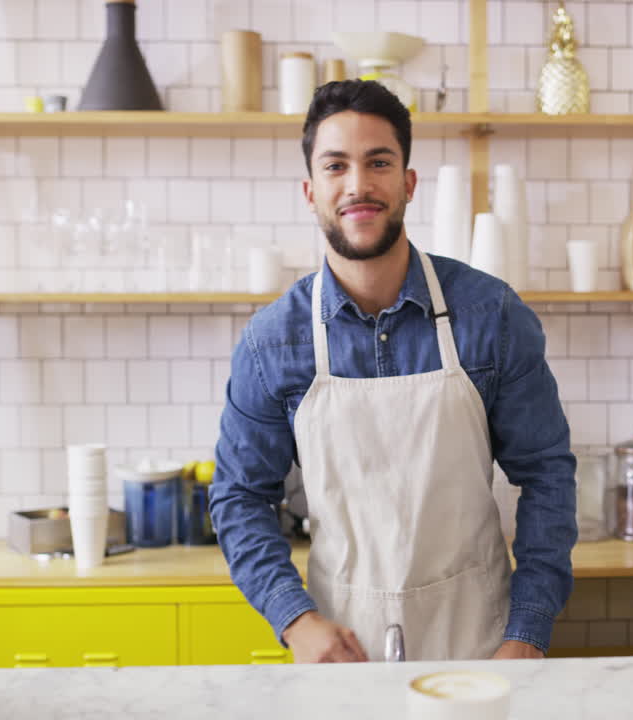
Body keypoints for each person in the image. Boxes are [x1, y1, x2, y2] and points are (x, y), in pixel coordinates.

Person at [209, 80, 577, 663]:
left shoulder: (492, 316)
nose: (358, 185)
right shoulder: (272, 342)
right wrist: (295, 619)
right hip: (341, 648)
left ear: (408, 182)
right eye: (336, 166)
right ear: (310, 191)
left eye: (378, 162)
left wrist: (528, 631)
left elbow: (548, 475)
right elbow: (239, 497)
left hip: (480, 644)